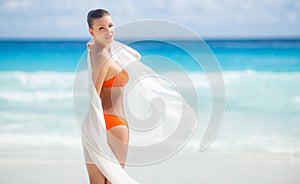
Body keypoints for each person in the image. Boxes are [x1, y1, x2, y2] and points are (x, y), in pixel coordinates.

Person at [85, 9, 132, 184]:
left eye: (110, 26)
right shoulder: (102, 56)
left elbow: (98, 47)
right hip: (113, 124)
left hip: (94, 125)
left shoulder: (96, 50)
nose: (109, 31)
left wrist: (95, 42)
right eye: (101, 28)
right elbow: (94, 96)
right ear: (92, 32)